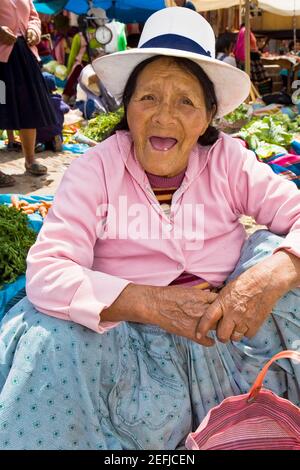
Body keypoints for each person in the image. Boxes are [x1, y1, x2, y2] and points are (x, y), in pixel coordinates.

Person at [0, 7, 300, 450]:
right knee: (49, 332)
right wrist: (147, 302)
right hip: (131, 348)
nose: (164, 116)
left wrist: (271, 274)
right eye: (148, 98)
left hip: (225, 331)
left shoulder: (228, 160)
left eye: (185, 101)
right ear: (127, 108)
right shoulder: (96, 169)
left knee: (278, 256)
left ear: (207, 116)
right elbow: (47, 269)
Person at [0, 0, 57, 186]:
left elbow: (33, 17)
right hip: (1, 57)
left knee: (29, 106)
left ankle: (30, 160)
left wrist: (34, 30)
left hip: (24, 54)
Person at [36, 72, 70, 152]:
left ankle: (40, 145)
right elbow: (66, 109)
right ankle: (56, 141)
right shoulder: (57, 100)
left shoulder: (37, 101)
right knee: (56, 132)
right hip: (55, 131)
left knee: (36, 137)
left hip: (40, 132)